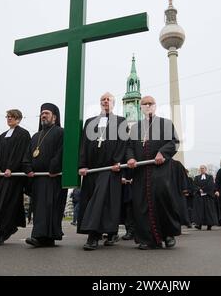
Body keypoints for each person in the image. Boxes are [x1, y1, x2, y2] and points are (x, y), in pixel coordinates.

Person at [126, 95, 181, 250]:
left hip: (160, 170)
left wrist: (162, 153)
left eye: (150, 103)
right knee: (141, 204)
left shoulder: (165, 123)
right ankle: (146, 238)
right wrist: (130, 158)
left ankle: (168, 235)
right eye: (144, 104)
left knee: (162, 200)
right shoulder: (136, 127)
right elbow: (129, 146)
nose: (148, 105)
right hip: (141, 171)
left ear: (155, 106)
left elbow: (174, 142)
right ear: (141, 107)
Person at [77, 93, 128, 251]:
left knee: (102, 200)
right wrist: (82, 165)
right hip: (92, 169)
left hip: (110, 168)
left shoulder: (121, 121)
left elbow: (123, 143)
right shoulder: (90, 122)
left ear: (113, 103)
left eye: (108, 99)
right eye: (103, 100)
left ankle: (93, 236)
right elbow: (84, 145)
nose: (105, 101)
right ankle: (111, 232)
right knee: (95, 200)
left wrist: (117, 161)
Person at [24, 103, 67, 247]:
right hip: (37, 178)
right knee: (39, 208)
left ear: (54, 117)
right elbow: (28, 155)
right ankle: (42, 236)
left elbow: (62, 152)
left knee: (51, 207)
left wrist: (53, 167)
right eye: (42, 113)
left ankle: (45, 236)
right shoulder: (35, 136)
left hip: (53, 177)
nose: (43, 115)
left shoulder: (61, 132)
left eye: (46, 113)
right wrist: (28, 168)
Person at [0, 109, 31, 246]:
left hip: (13, 176)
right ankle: (8, 228)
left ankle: (2, 232)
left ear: (19, 119)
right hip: (0, 176)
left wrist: (11, 168)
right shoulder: (2, 136)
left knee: (8, 204)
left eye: (12, 117)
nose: (9, 119)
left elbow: (22, 153)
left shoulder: (23, 134)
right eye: (8, 117)